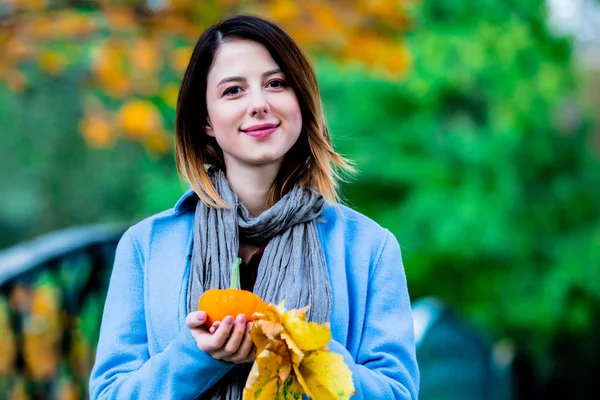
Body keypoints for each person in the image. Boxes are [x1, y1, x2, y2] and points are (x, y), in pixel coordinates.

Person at [89, 14, 419, 400]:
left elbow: (398, 393)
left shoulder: (369, 248)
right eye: (233, 91)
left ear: (301, 99)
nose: (259, 104)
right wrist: (196, 356)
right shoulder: (147, 246)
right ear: (205, 120)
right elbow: (110, 394)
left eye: (276, 84)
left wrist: (307, 351)